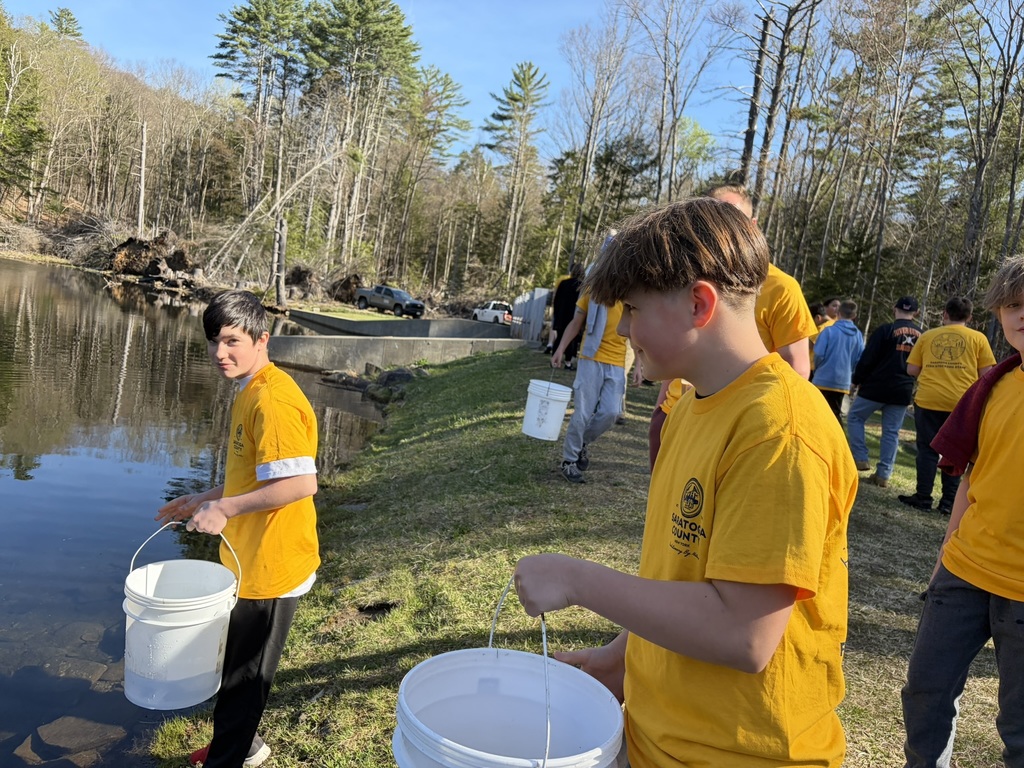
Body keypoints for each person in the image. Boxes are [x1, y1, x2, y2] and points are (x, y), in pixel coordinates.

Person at [516, 198, 857, 768]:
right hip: (655, 736)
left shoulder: (779, 433)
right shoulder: (691, 406)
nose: (624, 328)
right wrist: (618, 660)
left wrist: (577, 579)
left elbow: (742, 634)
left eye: (633, 309)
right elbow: (682, 570)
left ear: (699, 303)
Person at [156, 290, 320, 768]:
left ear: (262, 339)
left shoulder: (274, 398)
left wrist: (225, 508)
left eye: (231, 341)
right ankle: (241, 743)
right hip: (248, 558)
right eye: (213, 342)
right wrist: (201, 499)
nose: (219, 353)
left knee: (247, 673)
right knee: (234, 664)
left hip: (273, 563)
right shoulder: (249, 388)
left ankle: (229, 757)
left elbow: (301, 484)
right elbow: (254, 476)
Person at [901, 256, 1024, 768]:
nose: (1022, 315)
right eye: (1013, 305)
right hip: (965, 570)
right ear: (998, 314)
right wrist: (945, 552)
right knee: (925, 692)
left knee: (1019, 729)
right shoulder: (994, 386)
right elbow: (974, 473)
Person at [649, 185, 818, 466]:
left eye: (730, 216)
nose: (718, 229)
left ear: (751, 226)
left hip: (734, 424)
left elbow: (798, 369)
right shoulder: (687, 276)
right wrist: (662, 408)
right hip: (675, 413)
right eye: (708, 220)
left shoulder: (782, 287)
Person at [897, 297, 995, 515]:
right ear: (969, 317)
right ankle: (948, 502)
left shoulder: (929, 336)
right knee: (955, 451)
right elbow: (986, 375)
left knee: (927, 449)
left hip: (929, 399)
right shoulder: (978, 338)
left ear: (945, 314)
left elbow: (911, 369)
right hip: (962, 404)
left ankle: (923, 496)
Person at [552, 235, 627, 484]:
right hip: (590, 356)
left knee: (611, 412)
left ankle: (582, 441)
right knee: (582, 413)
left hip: (617, 359)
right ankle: (569, 460)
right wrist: (560, 348)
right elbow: (577, 321)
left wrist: (641, 361)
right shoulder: (592, 289)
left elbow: (636, 326)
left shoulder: (630, 291)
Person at [846, 296, 923, 488]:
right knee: (891, 432)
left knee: (855, 417)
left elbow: (868, 359)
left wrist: (856, 381)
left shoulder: (885, 330)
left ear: (894, 309)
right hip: (902, 389)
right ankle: (883, 475)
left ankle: (860, 457)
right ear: (916, 313)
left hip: (876, 386)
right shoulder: (923, 335)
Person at [813, 299, 865, 421]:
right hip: (843, 381)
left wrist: (817, 369)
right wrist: (851, 372)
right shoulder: (858, 335)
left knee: (817, 414)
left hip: (822, 379)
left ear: (838, 314)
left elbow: (819, 355)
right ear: (854, 316)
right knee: (834, 415)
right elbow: (859, 359)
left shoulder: (829, 331)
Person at [549, 261, 586, 366]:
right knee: (572, 339)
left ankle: (555, 359)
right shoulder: (582, 286)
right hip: (574, 315)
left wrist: (556, 314)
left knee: (560, 337)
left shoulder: (564, 283)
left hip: (562, 315)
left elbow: (556, 300)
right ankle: (568, 362)